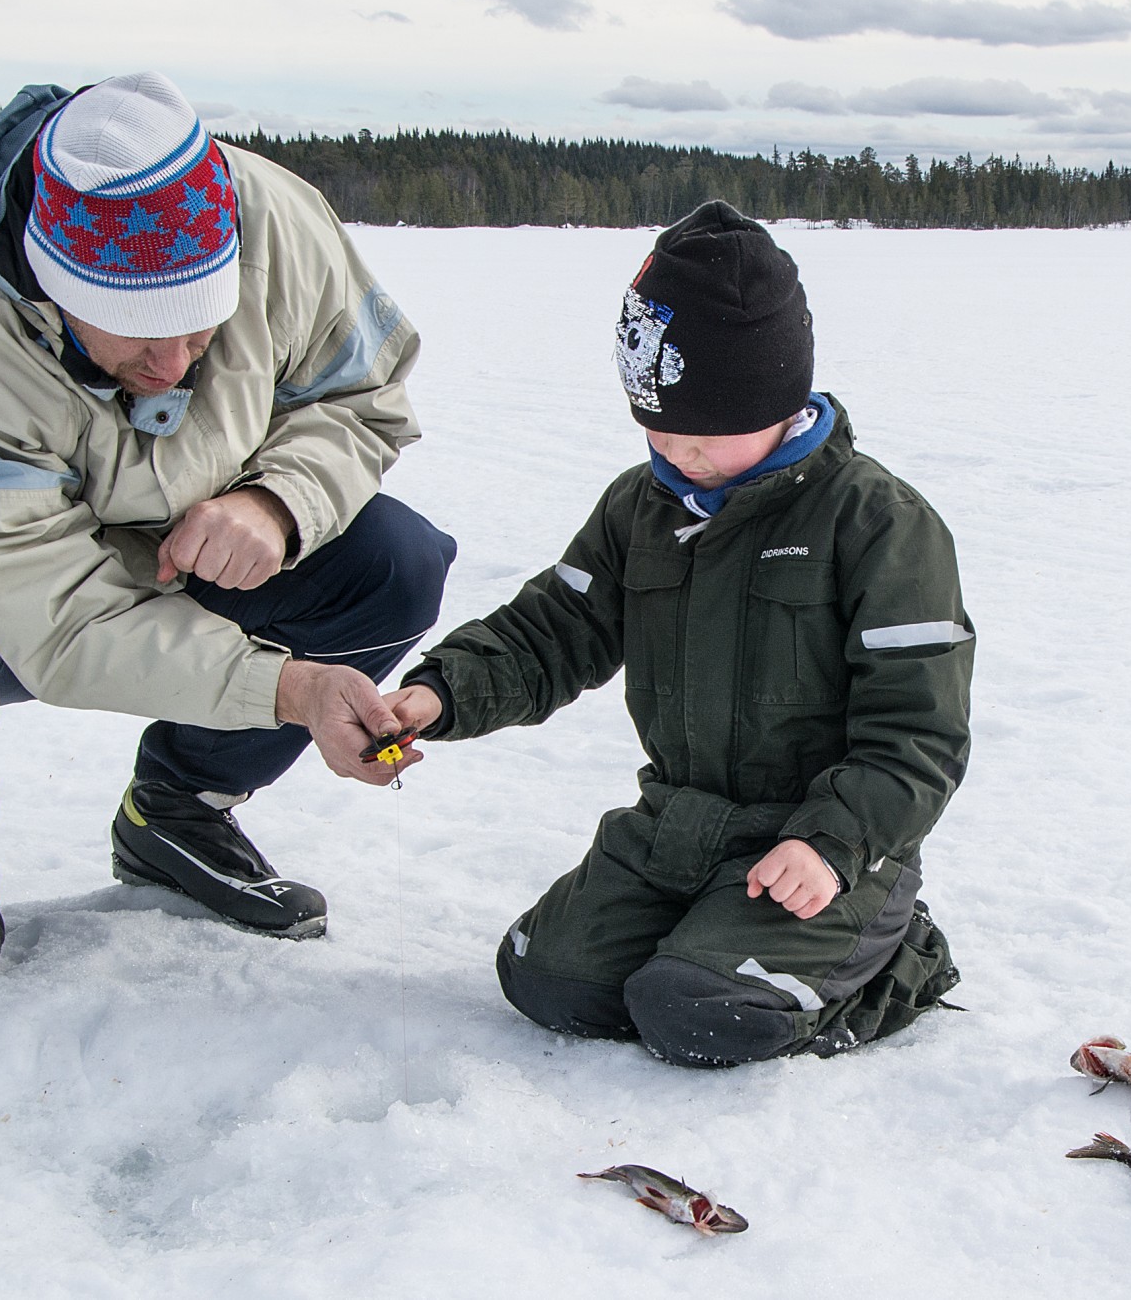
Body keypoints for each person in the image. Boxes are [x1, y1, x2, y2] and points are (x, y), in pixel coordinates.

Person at [0, 72, 454, 980]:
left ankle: (176, 814)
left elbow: (363, 400)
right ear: (48, 288)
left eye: (200, 327)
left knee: (392, 565)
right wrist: (287, 689)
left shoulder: (277, 226)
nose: (172, 368)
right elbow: (58, 614)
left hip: (184, 517)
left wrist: (276, 503)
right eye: (134, 336)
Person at [385, 202, 972, 1067]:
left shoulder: (877, 523)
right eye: (656, 423)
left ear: (774, 397)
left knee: (699, 1010)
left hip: (821, 844)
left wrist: (833, 842)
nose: (676, 449)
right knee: (545, 981)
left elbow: (918, 734)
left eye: (703, 429)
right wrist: (440, 692)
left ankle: (892, 957)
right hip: (677, 827)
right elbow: (554, 628)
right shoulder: (641, 506)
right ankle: (704, 933)